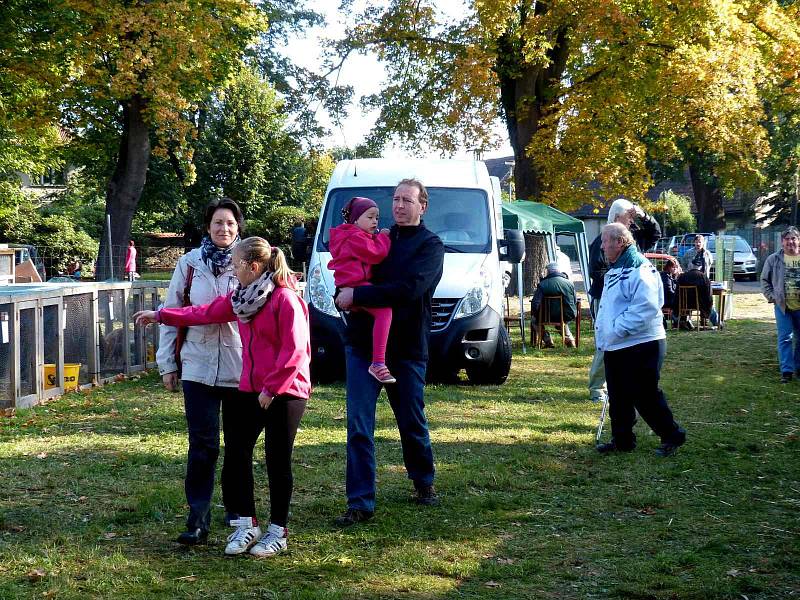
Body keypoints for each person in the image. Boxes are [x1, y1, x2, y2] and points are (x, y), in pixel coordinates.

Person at [136, 237, 310, 557]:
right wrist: (161, 315)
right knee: (237, 453)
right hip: (253, 389)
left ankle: (278, 531)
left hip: (285, 391)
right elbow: (203, 312)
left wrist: (272, 388)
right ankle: (246, 524)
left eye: (236, 264)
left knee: (276, 459)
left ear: (253, 267)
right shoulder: (243, 299)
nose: (232, 268)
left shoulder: (285, 299)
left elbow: (296, 350)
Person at [333, 178, 444, 526]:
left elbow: (410, 289)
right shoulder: (375, 236)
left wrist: (360, 296)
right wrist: (344, 287)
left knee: (411, 420)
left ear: (422, 206)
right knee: (359, 424)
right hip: (363, 344)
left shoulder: (430, 246)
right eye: (395, 199)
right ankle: (360, 501)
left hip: (407, 347)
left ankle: (423, 482)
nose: (399, 206)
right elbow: (350, 265)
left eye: (407, 200)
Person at [155, 197, 245, 545]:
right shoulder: (190, 264)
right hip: (198, 366)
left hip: (240, 368)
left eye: (230, 224)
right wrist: (168, 365)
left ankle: (238, 510)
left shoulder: (250, 262)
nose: (224, 229)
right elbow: (170, 312)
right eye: (218, 223)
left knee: (239, 446)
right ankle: (198, 516)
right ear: (208, 227)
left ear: (238, 228)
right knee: (203, 445)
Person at [594, 223, 686, 457]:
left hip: (642, 343)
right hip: (617, 344)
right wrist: (608, 333)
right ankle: (622, 440)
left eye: (605, 241)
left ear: (620, 242)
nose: (602, 246)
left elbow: (645, 306)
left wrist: (617, 329)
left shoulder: (639, 268)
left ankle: (672, 435)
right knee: (618, 394)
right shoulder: (617, 267)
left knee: (645, 395)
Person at [587, 198, 661, 402]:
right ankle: (597, 389)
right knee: (606, 342)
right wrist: (618, 282)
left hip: (627, 299)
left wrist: (643, 214)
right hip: (605, 298)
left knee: (626, 343)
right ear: (618, 216)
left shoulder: (632, 240)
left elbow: (655, 233)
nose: (632, 221)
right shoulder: (603, 241)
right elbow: (596, 270)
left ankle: (621, 384)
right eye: (629, 217)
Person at [328, 196, 395, 384]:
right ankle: (378, 362)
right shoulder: (355, 237)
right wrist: (384, 236)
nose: (375, 221)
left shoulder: (351, 235)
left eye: (377, 218)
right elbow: (376, 254)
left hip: (351, 284)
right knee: (384, 312)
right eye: (370, 217)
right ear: (355, 219)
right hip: (356, 285)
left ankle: (378, 361)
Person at [761, 226, 800, 384]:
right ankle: (787, 371)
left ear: (798, 240)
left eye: (794, 238)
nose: (790, 242)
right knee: (785, 338)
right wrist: (772, 297)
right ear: (782, 242)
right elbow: (764, 281)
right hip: (782, 306)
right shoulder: (774, 259)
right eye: (787, 239)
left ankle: (798, 367)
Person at [531, 261, 577, 348]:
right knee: (562, 321)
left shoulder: (542, 284)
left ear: (548, 272)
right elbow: (574, 300)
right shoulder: (569, 283)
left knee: (534, 321)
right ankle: (570, 340)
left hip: (546, 316)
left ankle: (548, 341)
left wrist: (536, 314)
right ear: (559, 271)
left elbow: (535, 303)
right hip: (566, 314)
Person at [676, 264, 719, 329]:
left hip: (684, 304)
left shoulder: (682, 277)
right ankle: (717, 323)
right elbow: (708, 293)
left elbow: (677, 292)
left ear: (689, 268)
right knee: (710, 306)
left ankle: (682, 322)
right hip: (700, 303)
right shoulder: (703, 277)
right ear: (700, 268)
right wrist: (709, 302)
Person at [659, 259, 680, 327]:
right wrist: (677, 295)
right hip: (666, 300)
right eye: (673, 267)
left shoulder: (670, 276)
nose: (675, 269)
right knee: (681, 302)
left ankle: (679, 322)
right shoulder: (665, 276)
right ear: (668, 267)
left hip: (668, 299)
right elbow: (669, 290)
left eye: (676, 267)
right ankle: (678, 322)